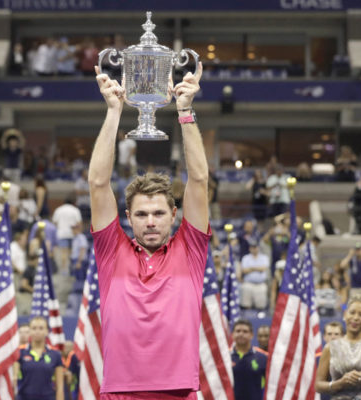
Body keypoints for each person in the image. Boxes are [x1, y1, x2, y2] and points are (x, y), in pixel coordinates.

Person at [89, 63, 208, 399]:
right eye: (141, 214)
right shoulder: (112, 250)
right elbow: (98, 183)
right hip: (119, 392)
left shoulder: (191, 249)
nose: (151, 221)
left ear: (174, 214)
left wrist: (185, 111)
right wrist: (114, 111)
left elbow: (198, 180)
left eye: (158, 213)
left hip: (179, 391)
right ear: (129, 217)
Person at [14, 316, 64, 400]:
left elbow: (60, 387)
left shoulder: (55, 354)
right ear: (29, 331)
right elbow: (13, 379)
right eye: (34, 328)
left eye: (41, 328)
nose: (37, 331)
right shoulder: (20, 352)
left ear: (47, 331)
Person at [231, 320, 267, 400]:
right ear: (232, 335)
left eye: (245, 331)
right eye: (238, 331)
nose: (241, 334)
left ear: (252, 335)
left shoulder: (263, 358)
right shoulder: (225, 357)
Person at [52, 197, 82, 275]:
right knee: (71, 252)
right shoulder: (75, 210)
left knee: (64, 252)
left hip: (62, 233)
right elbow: (79, 223)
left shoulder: (59, 210)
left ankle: (64, 268)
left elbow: (55, 222)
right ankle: (70, 268)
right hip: (72, 234)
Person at [239, 240, 269, 310]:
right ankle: (247, 316)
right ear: (250, 248)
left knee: (261, 305)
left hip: (260, 284)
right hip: (248, 283)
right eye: (252, 247)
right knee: (246, 303)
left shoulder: (264, 257)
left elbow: (263, 268)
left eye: (255, 247)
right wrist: (257, 268)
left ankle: (260, 317)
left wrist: (251, 268)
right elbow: (244, 270)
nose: (254, 249)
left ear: (258, 248)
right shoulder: (245, 258)